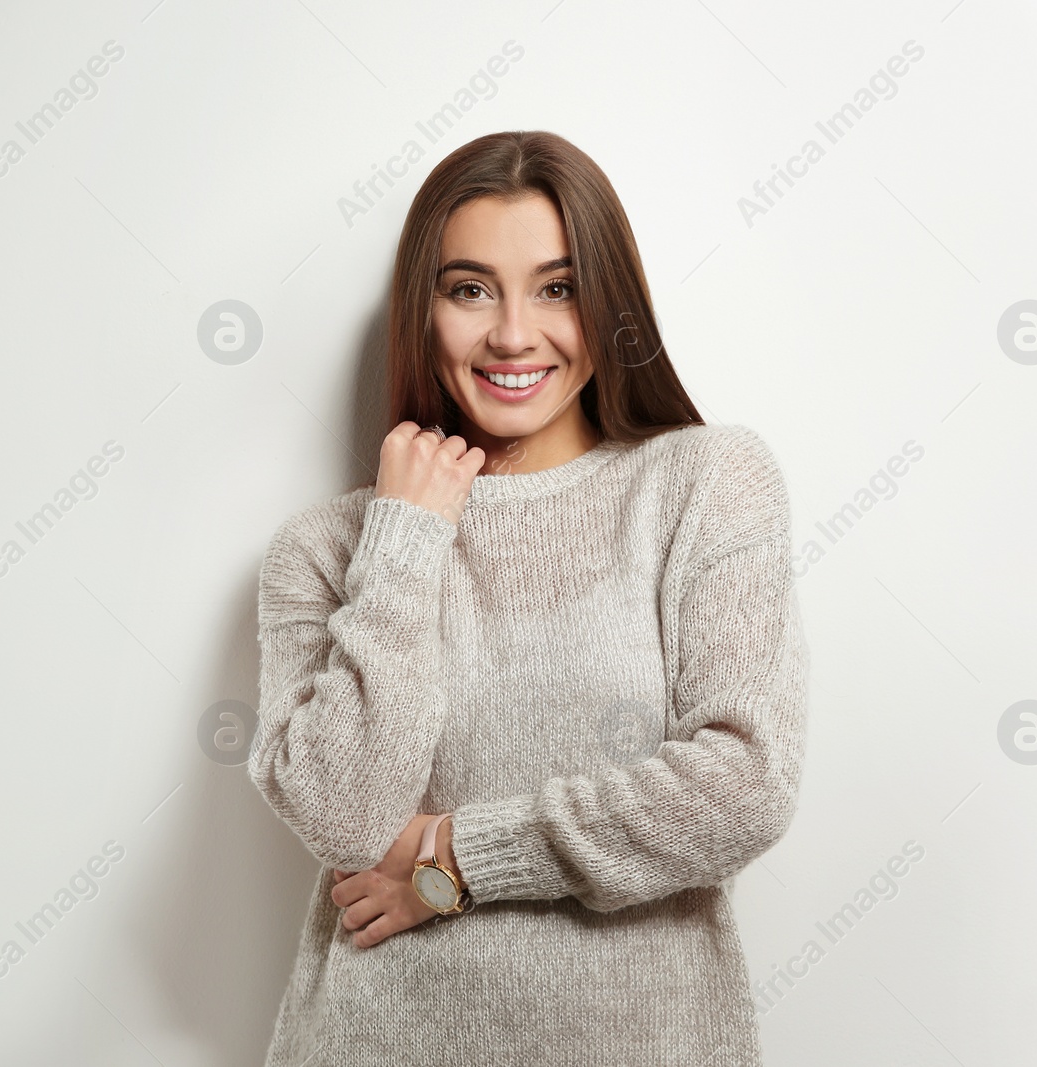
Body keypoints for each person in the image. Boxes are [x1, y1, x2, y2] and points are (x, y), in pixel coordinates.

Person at [247, 129, 810, 1066]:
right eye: (470, 288)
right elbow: (344, 816)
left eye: (557, 287)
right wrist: (407, 539)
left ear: (610, 303)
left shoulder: (705, 483)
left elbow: (745, 783)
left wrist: (454, 860)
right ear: (422, 313)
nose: (513, 333)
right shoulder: (330, 546)